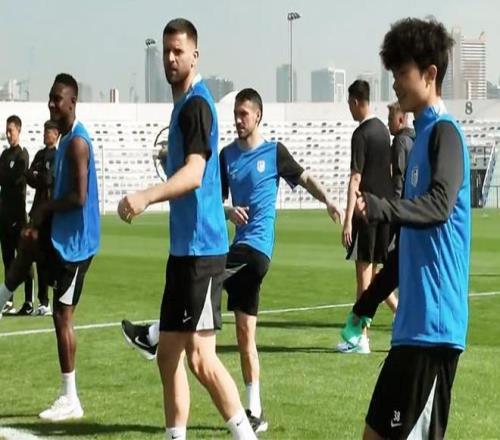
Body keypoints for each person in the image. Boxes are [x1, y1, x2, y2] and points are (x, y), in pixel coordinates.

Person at [121, 88, 343, 434]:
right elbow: (212, 198)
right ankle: (255, 410)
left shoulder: (274, 152)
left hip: (256, 250)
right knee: (244, 334)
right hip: (236, 245)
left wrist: (328, 199)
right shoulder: (226, 156)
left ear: (258, 116)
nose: (238, 120)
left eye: (244, 114)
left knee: (202, 278)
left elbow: (304, 177)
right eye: (236, 114)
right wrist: (229, 211)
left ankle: (154, 334)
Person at [117, 19, 256, 440]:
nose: (171, 58)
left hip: (201, 252)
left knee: (201, 358)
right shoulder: (184, 106)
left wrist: (146, 196)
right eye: (166, 51)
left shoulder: (196, 105)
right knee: (168, 356)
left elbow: (195, 174)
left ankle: (246, 435)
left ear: (195, 56)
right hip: (186, 251)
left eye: (178, 51)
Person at [344, 18, 470, 439]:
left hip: (434, 331)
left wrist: (382, 208)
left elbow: (440, 205)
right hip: (410, 333)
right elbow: (409, 250)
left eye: (402, 72)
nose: (395, 82)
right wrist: (367, 302)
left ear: (430, 74)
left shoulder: (445, 135)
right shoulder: (419, 140)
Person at [1, 73, 100, 421]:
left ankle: (70, 398)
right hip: (62, 236)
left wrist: (45, 209)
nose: (51, 104)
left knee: (62, 315)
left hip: (78, 246)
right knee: (28, 239)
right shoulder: (65, 140)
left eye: (57, 98)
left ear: (72, 102)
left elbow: (79, 197)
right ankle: (3, 296)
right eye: (50, 97)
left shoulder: (77, 144)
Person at [338, 80, 396, 353]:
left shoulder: (360, 134)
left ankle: (360, 337)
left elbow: (355, 178)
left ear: (356, 102)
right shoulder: (383, 130)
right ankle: (398, 314)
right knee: (375, 278)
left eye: (350, 104)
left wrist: (348, 220)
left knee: (363, 277)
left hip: (366, 212)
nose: (350, 109)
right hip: (384, 211)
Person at [0, 115, 34, 315]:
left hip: (18, 216)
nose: (8, 134)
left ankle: (29, 301)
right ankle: (9, 300)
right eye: (7, 130)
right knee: (7, 259)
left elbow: (15, 178)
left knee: (24, 258)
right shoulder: (4, 155)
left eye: (11, 130)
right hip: (3, 215)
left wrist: (6, 176)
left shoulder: (23, 154)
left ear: (18, 131)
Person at [25, 120, 59, 316]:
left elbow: (48, 179)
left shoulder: (57, 156)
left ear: (56, 134)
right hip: (37, 211)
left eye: (49, 131)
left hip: (51, 213)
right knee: (39, 257)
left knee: (51, 257)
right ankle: (42, 301)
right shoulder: (39, 154)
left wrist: (38, 175)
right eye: (45, 131)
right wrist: (38, 175)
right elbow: (29, 176)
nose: (45, 134)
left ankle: (53, 300)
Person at [387, 101, 415, 198]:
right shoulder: (413, 139)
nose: (388, 124)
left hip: (402, 198)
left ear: (400, 120)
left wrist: (395, 202)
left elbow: (398, 173)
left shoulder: (400, 141)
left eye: (390, 119)